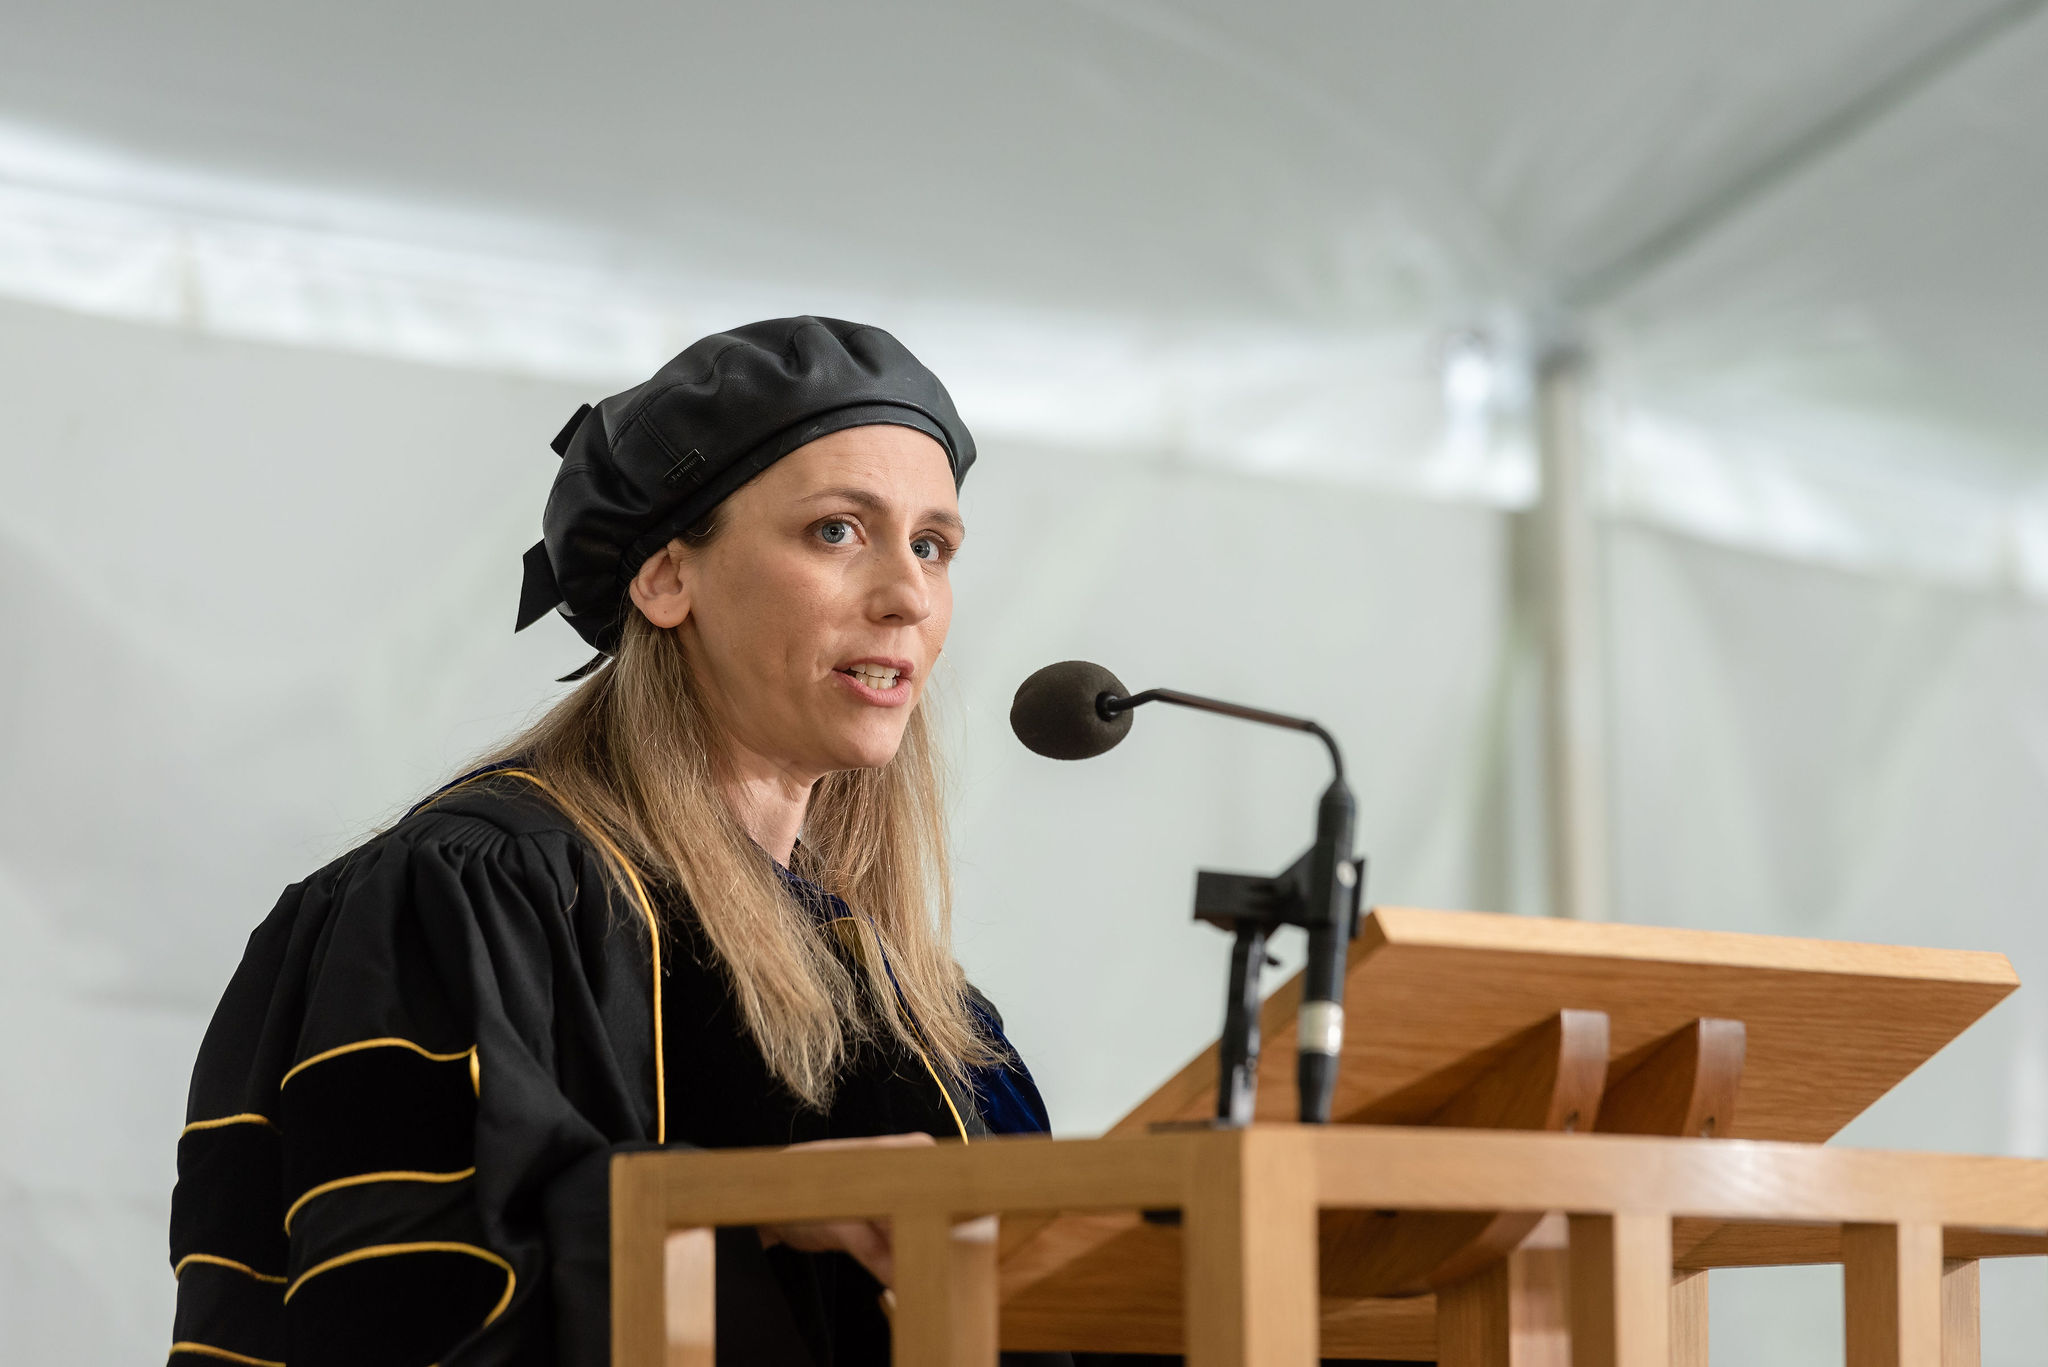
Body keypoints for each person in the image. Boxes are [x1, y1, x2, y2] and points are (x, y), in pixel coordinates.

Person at [167, 317, 1055, 1367]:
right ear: (666, 577)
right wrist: (750, 1206)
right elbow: (408, 1299)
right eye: (835, 530)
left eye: (932, 545)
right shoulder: (476, 895)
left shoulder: (905, 993)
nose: (907, 595)